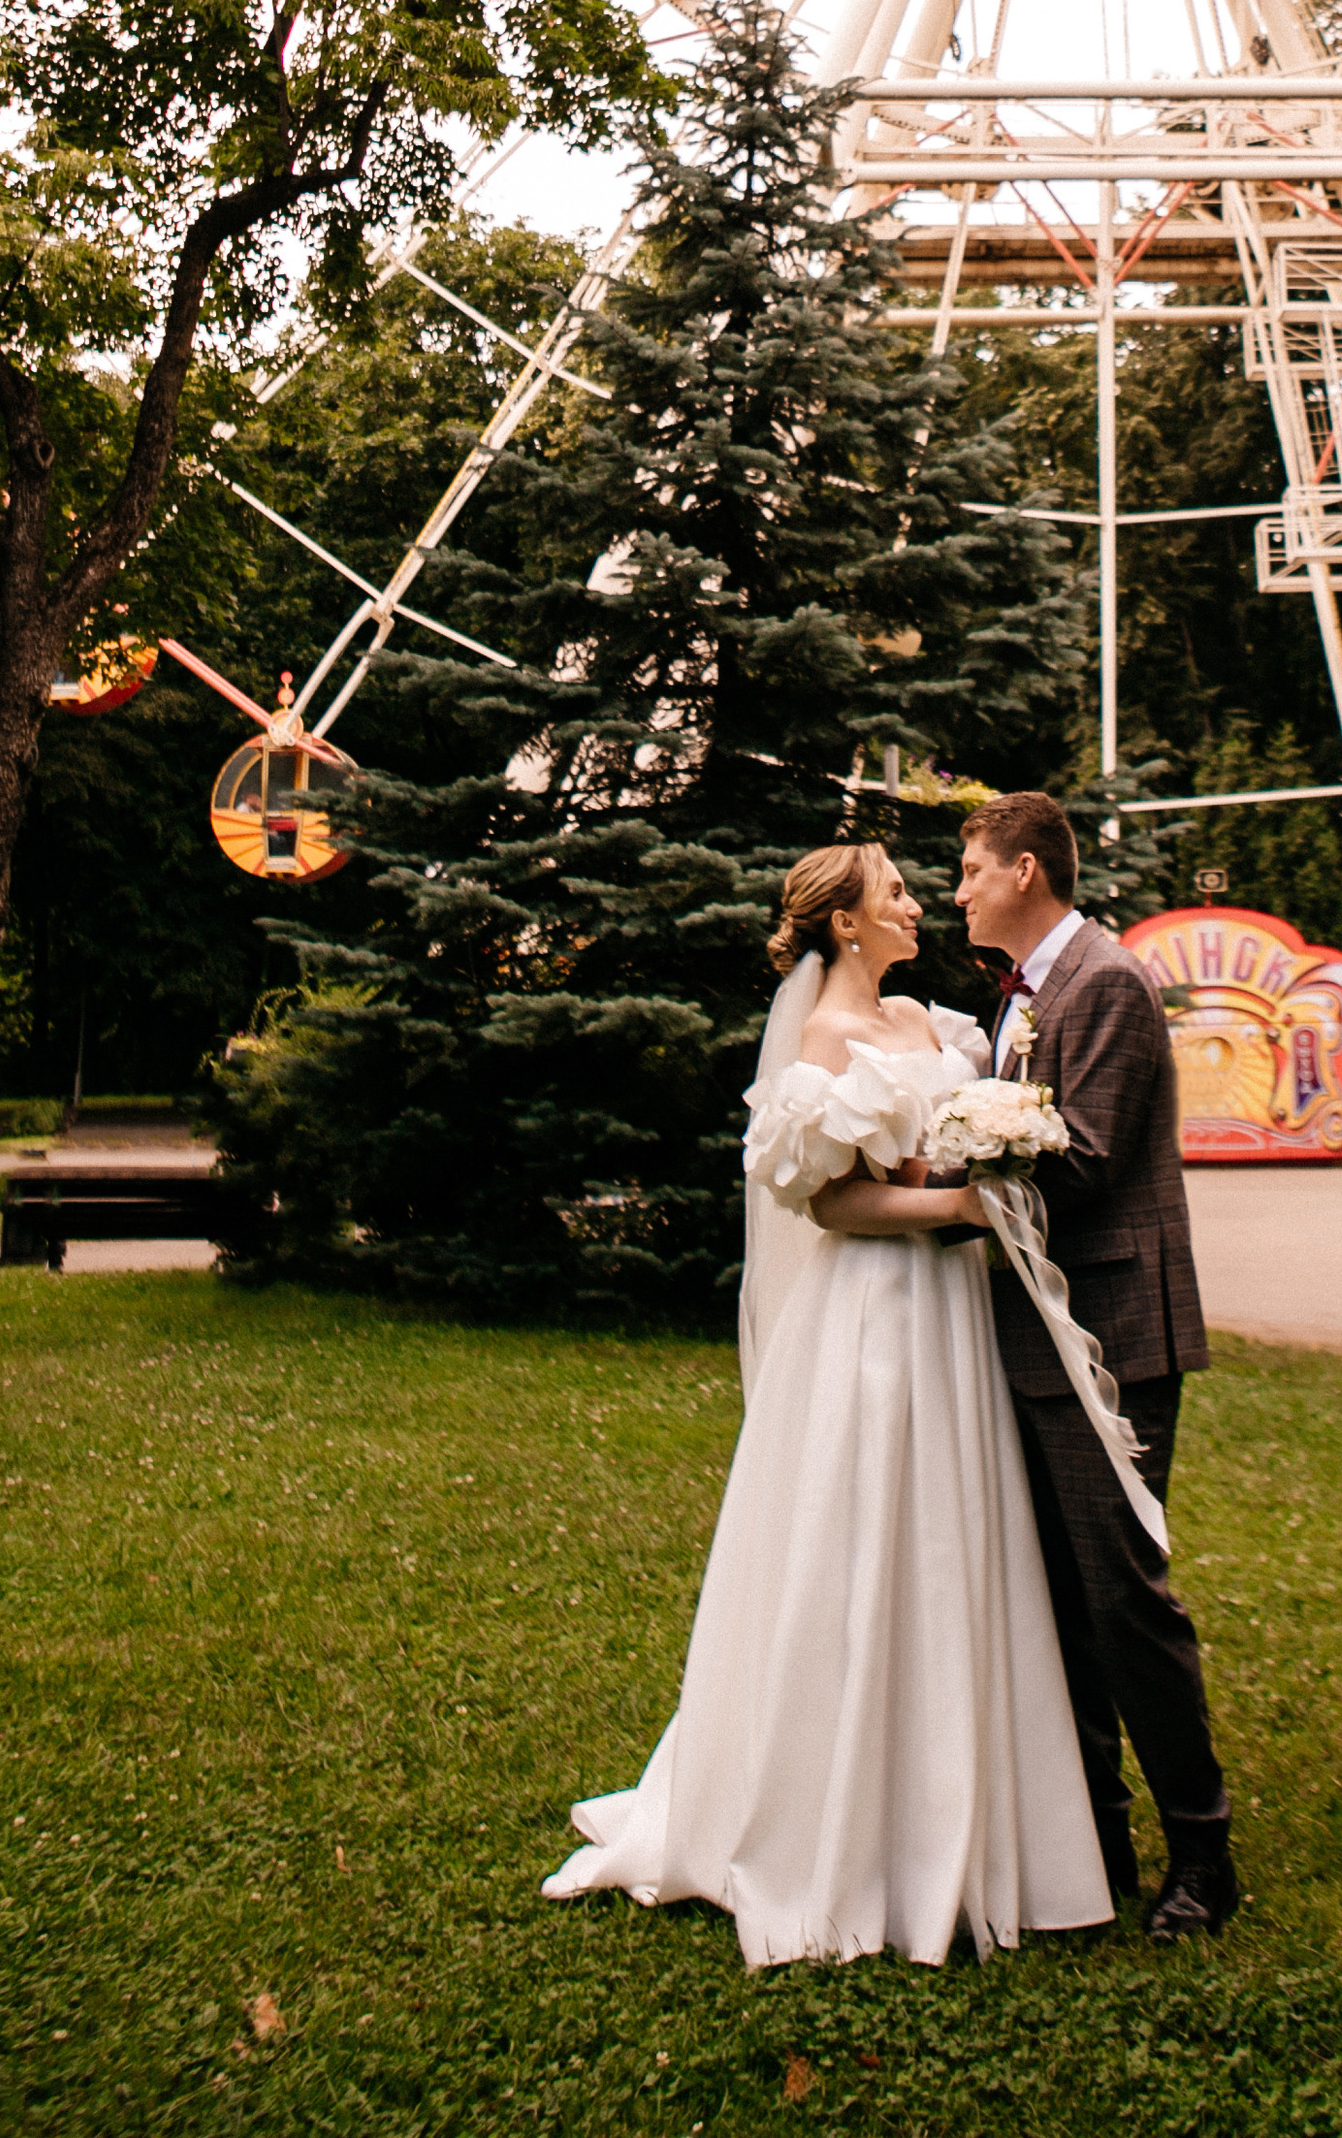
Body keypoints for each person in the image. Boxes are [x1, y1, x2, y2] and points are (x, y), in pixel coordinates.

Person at [540, 840, 1110, 1966]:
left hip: (949, 1325)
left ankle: (962, 1811)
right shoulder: (825, 1042)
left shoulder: (933, 1027)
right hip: (875, 1324)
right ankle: (834, 1823)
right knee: (861, 1548)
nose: (914, 903)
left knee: (952, 1545)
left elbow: (946, 1155)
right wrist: (957, 1213)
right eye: (895, 892)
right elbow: (835, 1208)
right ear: (845, 925)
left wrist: (982, 1178)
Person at [955, 790, 1239, 1942]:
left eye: (972, 868)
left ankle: (1204, 1856)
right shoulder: (1021, 994)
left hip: (1111, 1334)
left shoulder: (1106, 981)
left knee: (1122, 1599)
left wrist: (935, 1192)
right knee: (1061, 1600)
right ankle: (1097, 1838)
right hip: (1038, 1329)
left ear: (1027, 870)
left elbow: (1081, 1158)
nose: (959, 888)